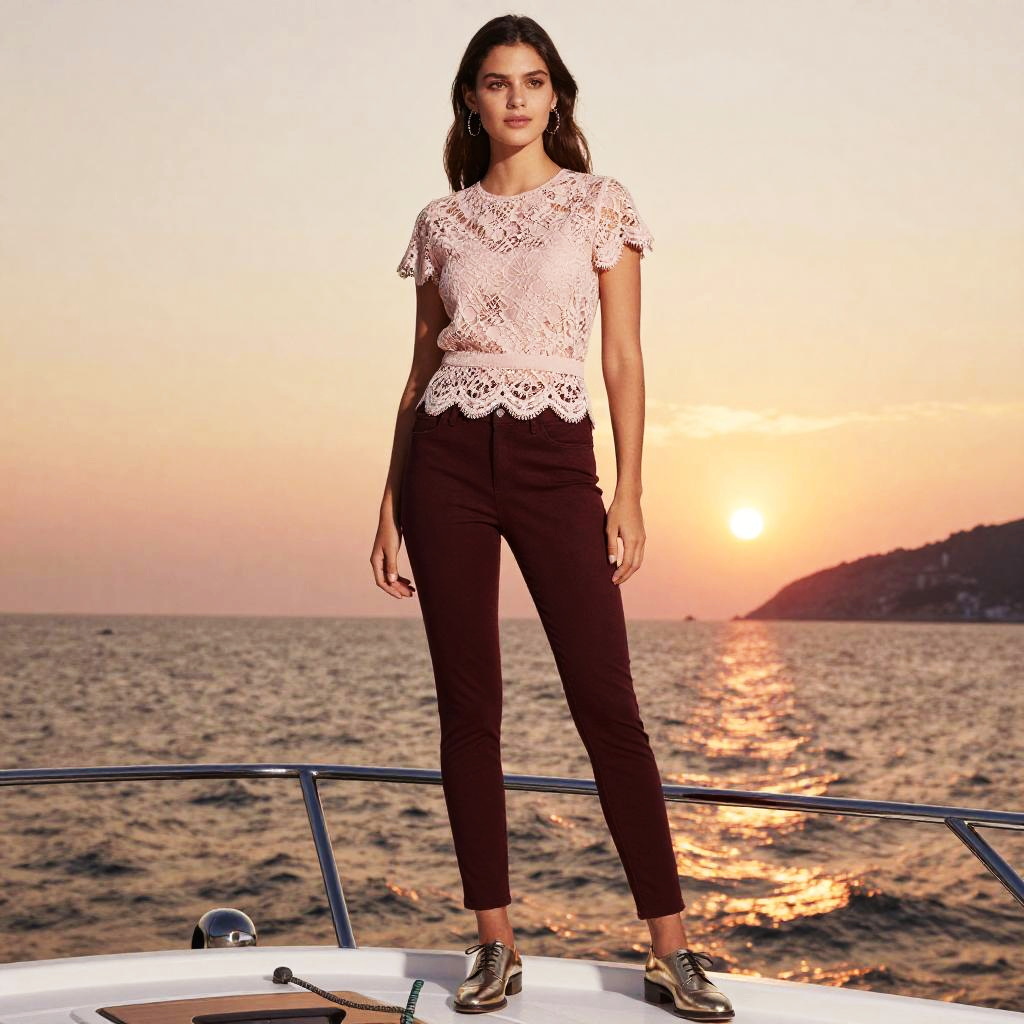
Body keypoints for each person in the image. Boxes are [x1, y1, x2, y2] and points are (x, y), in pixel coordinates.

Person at [371, 14, 734, 1022]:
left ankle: (670, 949)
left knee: (605, 702)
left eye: (534, 81)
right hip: (442, 459)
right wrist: (386, 504)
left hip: (553, 456)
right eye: (497, 82)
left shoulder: (599, 206)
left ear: (556, 97)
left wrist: (630, 488)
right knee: (467, 706)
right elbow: (418, 373)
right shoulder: (441, 223)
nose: (517, 98)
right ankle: (493, 942)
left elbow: (622, 358)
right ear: (471, 100)